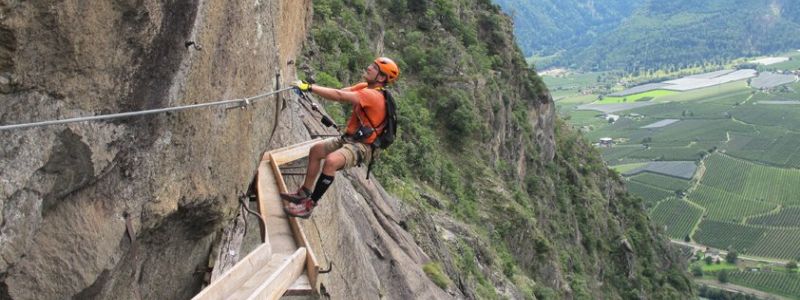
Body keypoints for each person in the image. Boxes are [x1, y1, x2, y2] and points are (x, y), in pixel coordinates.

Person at [281, 57, 400, 218]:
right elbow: (342, 92)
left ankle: (309, 206)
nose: (369, 68)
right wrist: (312, 89)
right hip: (349, 138)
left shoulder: (372, 96)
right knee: (316, 151)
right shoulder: (365, 87)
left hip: (363, 147)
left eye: (374, 67)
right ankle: (304, 192)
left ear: (381, 77)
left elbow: (339, 96)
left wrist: (309, 87)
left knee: (331, 162)